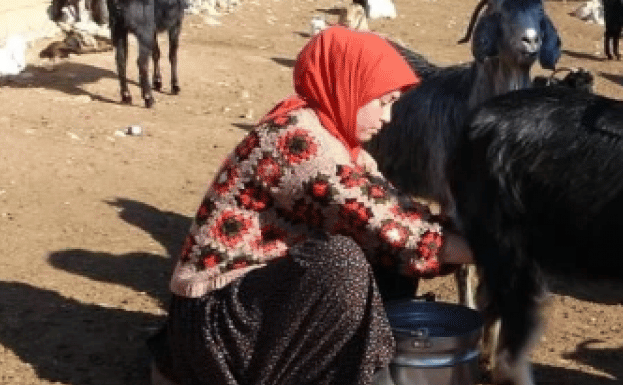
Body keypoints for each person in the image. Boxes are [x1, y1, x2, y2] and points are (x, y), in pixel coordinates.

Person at [148, 26, 474, 385]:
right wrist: (493, 252)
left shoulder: (327, 134)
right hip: (212, 325)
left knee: (384, 260)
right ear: (352, 86)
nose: (388, 119)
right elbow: (396, 229)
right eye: (384, 102)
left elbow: (390, 208)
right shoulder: (301, 144)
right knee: (341, 263)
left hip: (245, 305)